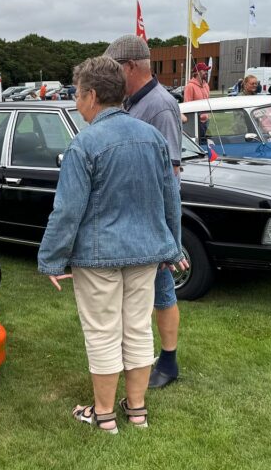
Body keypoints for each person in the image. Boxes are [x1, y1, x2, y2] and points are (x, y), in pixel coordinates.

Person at [38, 56, 184, 433]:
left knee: (103, 331)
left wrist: (51, 259)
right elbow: (171, 196)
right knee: (137, 328)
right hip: (146, 251)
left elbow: (67, 210)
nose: (76, 103)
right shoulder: (152, 138)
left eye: (77, 95)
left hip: (98, 255)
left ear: (91, 95)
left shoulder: (84, 144)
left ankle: (104, 416)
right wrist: (173, 246)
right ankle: (137, 411)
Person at [104, 34, 188, 389]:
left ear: (129, 67)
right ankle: (139, 358)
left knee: (163, 291)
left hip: (149, 222)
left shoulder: (160, 106)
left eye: (114, 69)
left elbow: (171, 175)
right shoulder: (131, 103)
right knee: (141, 294)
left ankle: (168, 363)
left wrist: (167, 235)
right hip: (131, 218)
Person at [184, 63, 211, 139]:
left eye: (206, 70)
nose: (206, 72)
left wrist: (208, 116)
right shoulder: (190, 86)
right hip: (196, 122)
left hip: (206, 121)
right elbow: (187, 105)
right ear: (197, 72)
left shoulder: (206, 85)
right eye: (204, 70)